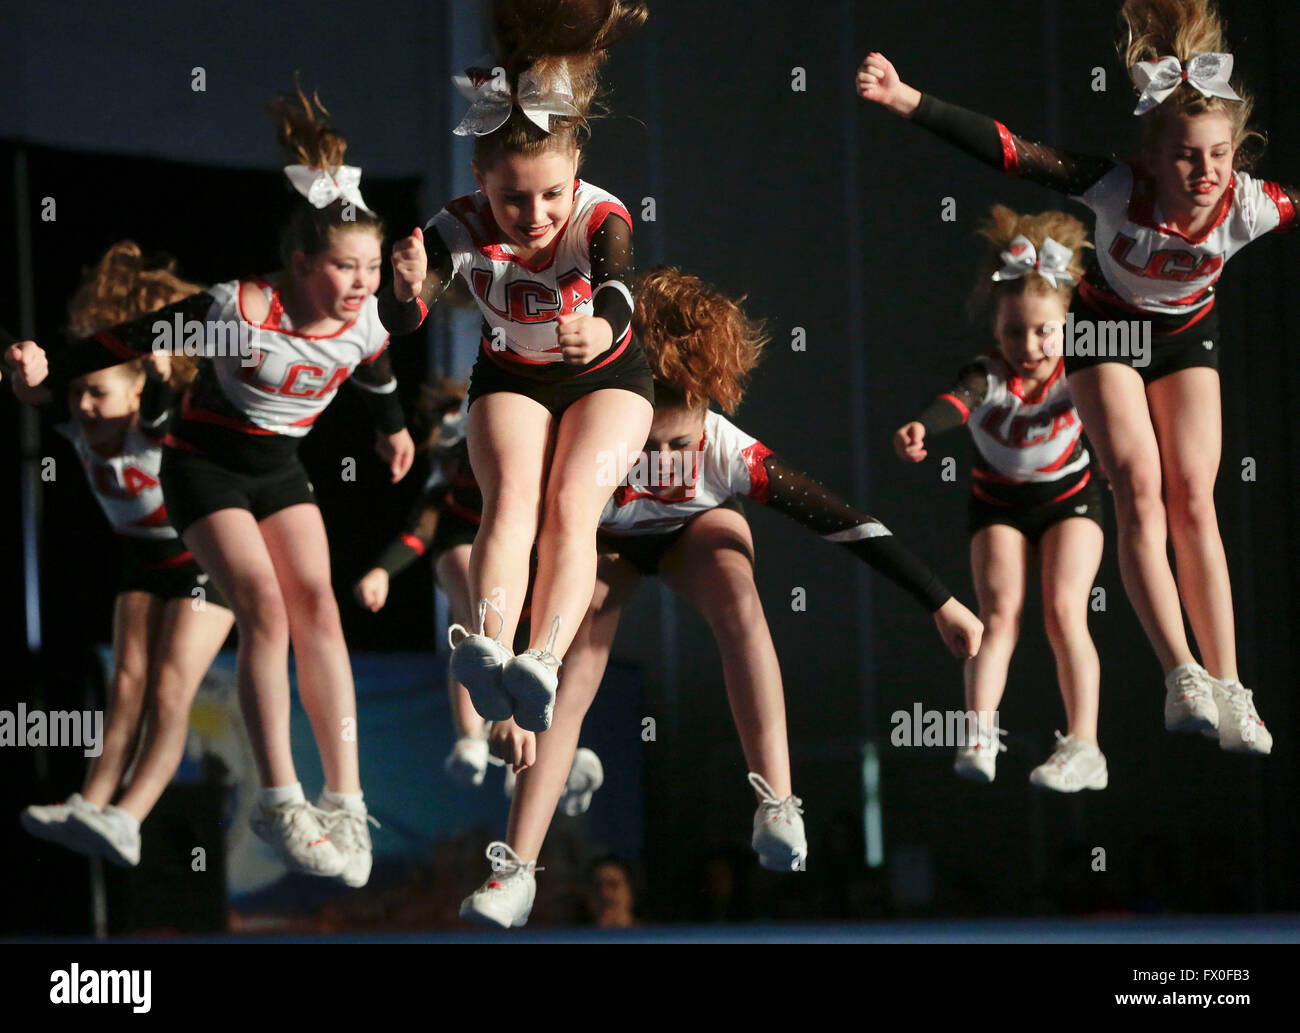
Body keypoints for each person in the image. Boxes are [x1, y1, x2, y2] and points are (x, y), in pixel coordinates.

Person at [460, 267, 983, 928]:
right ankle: (516, 868)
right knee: (572, 667)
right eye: (647, 445)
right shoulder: (582, 442)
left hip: (692, 531)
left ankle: (777, 800)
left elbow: (843, 520)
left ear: (709, 413)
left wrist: (940, 601)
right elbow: (521, 551)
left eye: (681, 442)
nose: (662, 458)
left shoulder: (728, 452)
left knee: (738, 594)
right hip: (604, 545)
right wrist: (507, 680)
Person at [10, 85, 418, 886]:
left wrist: (392, 426)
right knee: (264, 607)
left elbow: (374, 368)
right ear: (302, 263)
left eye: (372, 268)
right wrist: (50, 366)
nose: (362, 283)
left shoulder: (368, 318)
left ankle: (344, 797)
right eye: (345, 267)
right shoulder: (239, 309)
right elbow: (126, 339)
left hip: (279, 469)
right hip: (203, 465)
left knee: (320, 611)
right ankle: (281, 796)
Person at [855, 0, 1289, 752]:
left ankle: (1230, 686)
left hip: (1186, 339)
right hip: (1106, 333)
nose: (1205, 173)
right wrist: (907, 99)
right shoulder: (1120, 190)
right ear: (1155, 155)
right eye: (1187, 155)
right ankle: (1180, 670)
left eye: (1219, 155)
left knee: (1195, 496)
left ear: (1237, 154)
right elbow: (1013, 152)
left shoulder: (1251, 204)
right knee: (1138, 488)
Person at [376, 0, 654, 737]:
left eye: (551, 195)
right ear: (478, 179)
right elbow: (405, 318)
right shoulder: (457, 223)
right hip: (513, 375)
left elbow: (620, 290)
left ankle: (543, 661)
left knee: (570, 512)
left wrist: (599, 326)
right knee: (508, 507)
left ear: (577, 173)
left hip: (609, 376)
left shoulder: (601, 215)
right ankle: (488, 648)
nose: (534, 216)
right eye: (512, 198)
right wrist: (402, 290)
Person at [18, 242, 235, 866]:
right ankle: (90, 803)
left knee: (169, 690)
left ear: (136, 395)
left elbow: (163, 407)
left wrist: (163, 375)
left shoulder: (151, 425)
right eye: (80, 393)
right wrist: (21, 362)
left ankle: (128, 817)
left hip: (203, 563)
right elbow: (35, 392)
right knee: (126, 686)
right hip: (141, 563)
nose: (84, 405)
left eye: (98, 394)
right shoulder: (78, 427)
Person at [895, 208, 1107, 789]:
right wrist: (922, 425)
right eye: (1014, 331)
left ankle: (1085, 745)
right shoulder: (989, 376)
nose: (1029, 345)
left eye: (1044, 330)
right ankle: (980, 732)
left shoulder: (1081, 371)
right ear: (995, 329)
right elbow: (958, 400)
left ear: (1068, 325)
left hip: (1072, 500)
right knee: (998, 616)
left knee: (1066, 611)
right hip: (1000, 505)